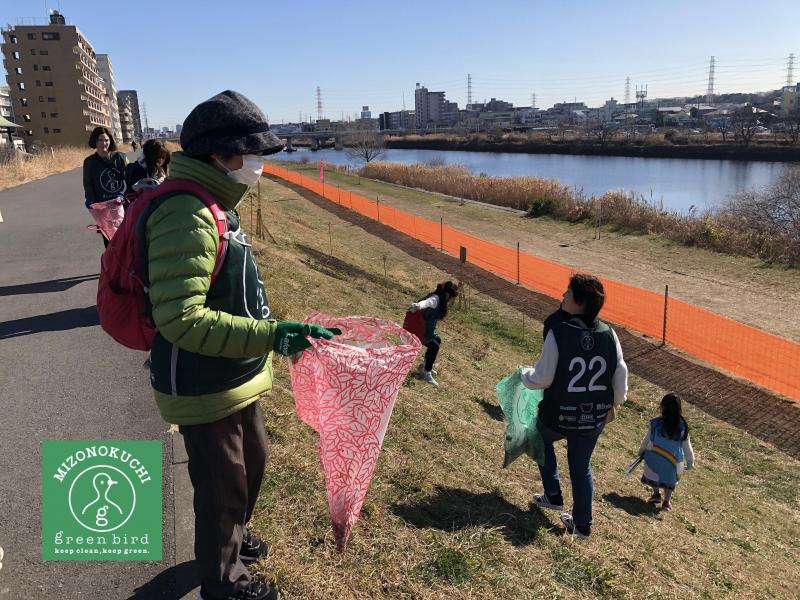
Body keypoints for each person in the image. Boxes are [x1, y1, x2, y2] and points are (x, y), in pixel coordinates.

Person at [145, 90, 339, 600]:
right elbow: (181, 319)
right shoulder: (185, 212)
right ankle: (223, 580)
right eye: (249, 154)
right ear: (219, 155)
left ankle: (231, 537)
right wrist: (273, 335)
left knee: (252, 463)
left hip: (234, 373)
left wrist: (274, 333)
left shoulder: (216, 202)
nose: (257, 164)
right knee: (221, 487)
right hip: (201, 380)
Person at [519, 273, 628, 539]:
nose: (563, 295)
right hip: (593, 418)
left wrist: (524, 374)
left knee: (537, 436)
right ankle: (582, 525)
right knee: (581, 466)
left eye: (567, 292)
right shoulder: (610, 334)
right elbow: (620, 377)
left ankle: (553, 494)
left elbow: (543, 377)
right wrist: (614, 403)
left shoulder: (559, 332)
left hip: (559, 414)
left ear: (579, 303)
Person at [639, 392, 695, 511]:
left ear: (662, 407)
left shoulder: (655, 423)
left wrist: (642, 450)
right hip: (672, 462)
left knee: (654, 474)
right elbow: (687, 446)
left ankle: (656, 494)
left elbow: (646, 440)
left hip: (654, 458)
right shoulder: (682, 427)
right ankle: (666, 501)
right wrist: (690, 461)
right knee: (669, 481)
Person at [406, 281, 458, 387]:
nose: (452, 300)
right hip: (416, 329)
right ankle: (426, 372)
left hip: (423, 328)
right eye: (452, 297)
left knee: (437, 340)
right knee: (434, 346)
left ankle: (425, 366)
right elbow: (427, 302)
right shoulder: (436, 299)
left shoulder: (440, 299)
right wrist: (417, 306)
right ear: (448, 295)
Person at [82, 126, 128, 246]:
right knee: (109, 241)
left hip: (120, 205)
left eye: (106, 140)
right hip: (103, 208)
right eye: (100, 140)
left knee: (126, 239)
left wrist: (123, 194)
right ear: (95, 142)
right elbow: (88, 183)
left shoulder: (120, 158)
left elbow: (129, 178)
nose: (104, 143)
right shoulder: (89, 162)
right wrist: (90, 198)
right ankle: (112, 263)